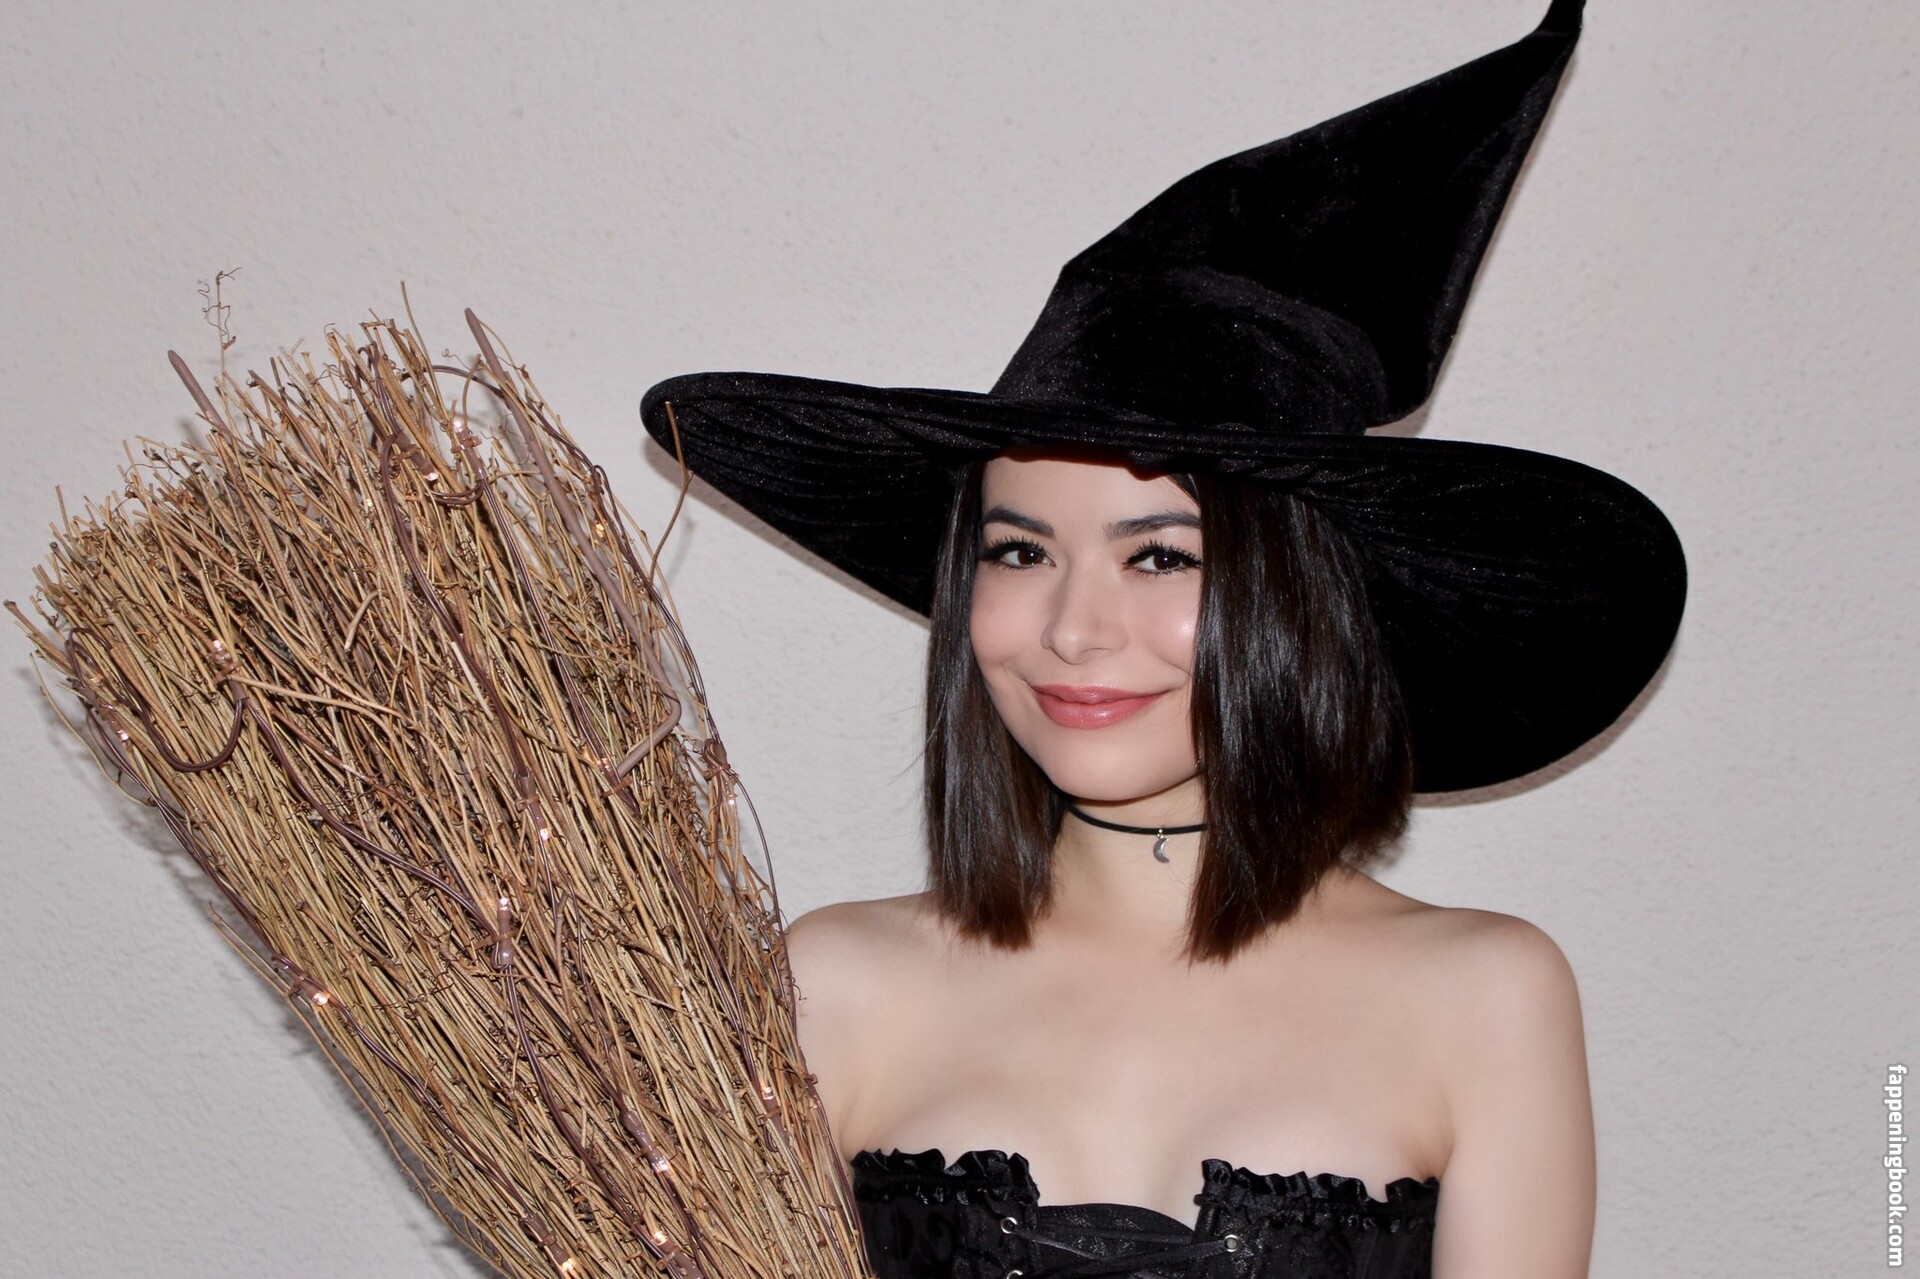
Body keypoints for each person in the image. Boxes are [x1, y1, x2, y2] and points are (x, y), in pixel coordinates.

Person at [640, 1, 1685, 1274]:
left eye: (1160, 555)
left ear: (1299, 594)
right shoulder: (833, 984)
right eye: (1019, 551)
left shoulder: (1486, 995)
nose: (1072, 629)